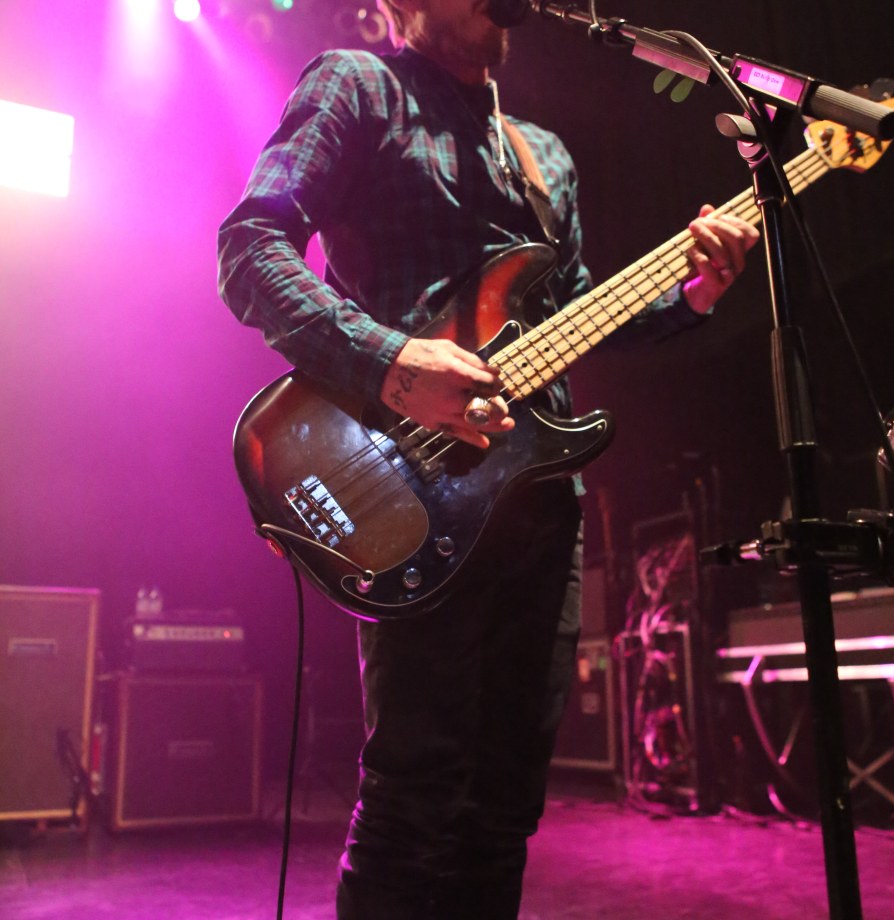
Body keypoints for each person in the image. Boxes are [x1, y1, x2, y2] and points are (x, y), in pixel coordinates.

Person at [217, 1, 759, 917]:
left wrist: (696, 290)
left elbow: (581, 313)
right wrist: (393, 364)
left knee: (504, 811)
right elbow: (249, 248)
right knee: (413, 798)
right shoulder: (360, 87)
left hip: (540, 507)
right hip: (410, 486)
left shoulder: (543, 155)